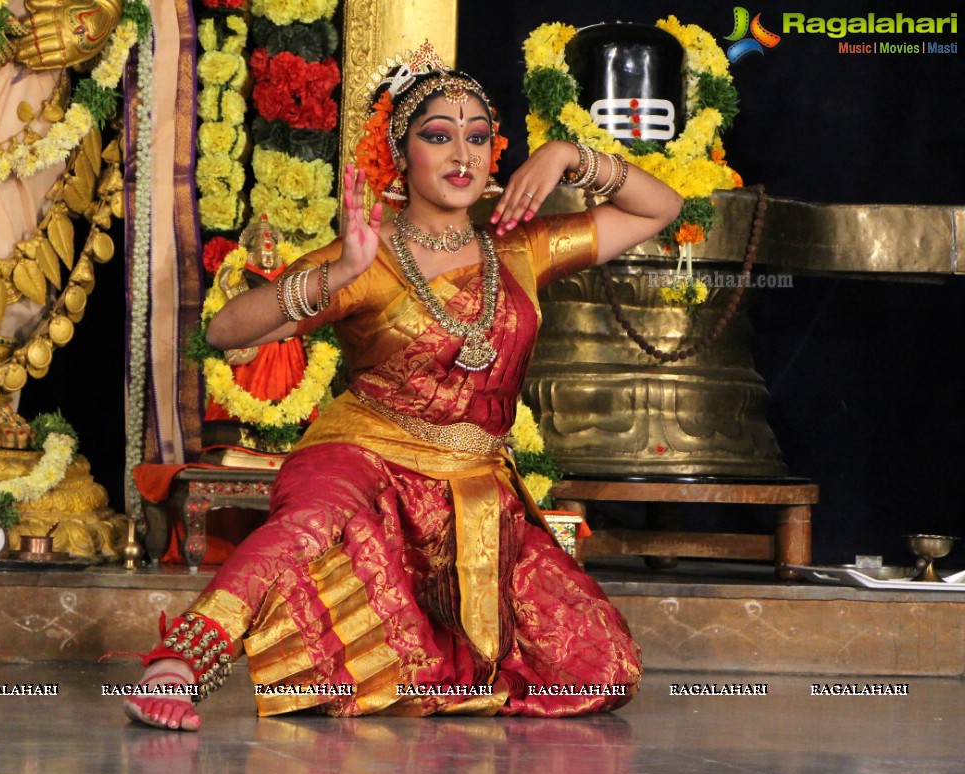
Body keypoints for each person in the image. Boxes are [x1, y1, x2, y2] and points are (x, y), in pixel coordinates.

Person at [123, 43, 682, 730]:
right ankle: (178, 664)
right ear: (401, 152)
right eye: (438, 136)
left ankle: (421, 673)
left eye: (478, 137)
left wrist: (571, 156)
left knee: (601, 666)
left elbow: (659, 208)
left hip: (473, 485)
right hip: (364, 454)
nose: (463, 156)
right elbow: (228, 331)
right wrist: (338, 272)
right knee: (309, 524)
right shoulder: (369, 255)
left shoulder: (519, 248)